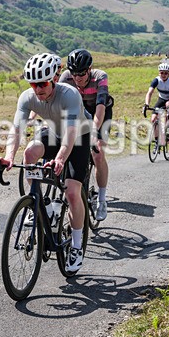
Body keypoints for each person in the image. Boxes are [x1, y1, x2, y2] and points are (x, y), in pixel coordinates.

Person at [0, 53, 92, 273]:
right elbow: (17, 130)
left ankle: (76, 246)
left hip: (78, 137)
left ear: (53, 80)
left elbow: (71, 134)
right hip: (53, 133)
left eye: (43, 84)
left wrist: (59, 159)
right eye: (33, 84)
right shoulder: (27, 97)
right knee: (29, 153)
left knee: (73, 192)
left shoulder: (70, 95)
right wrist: (9, 157)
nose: (38, 89)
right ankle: (38, 204)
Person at [58, 49, 112, 221]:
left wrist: (94, 133)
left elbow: (100, 108)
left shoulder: (100, 77)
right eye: (74, 73)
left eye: (81, 73)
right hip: (78, 112)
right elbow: (58, 104)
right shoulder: (66, 77)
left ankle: (102, 200)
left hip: (99, 111)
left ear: (89, 70)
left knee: (98, 153)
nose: (77, 77)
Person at [144, 62, 169, 142]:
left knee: (168, 105)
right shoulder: (156, 80)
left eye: (166, 73)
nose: (163, 75)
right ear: (159, 73)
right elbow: (149, 93)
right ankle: (157, 141)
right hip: (162, 98)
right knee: (153, 119)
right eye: (161, 73)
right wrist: (146, 104)